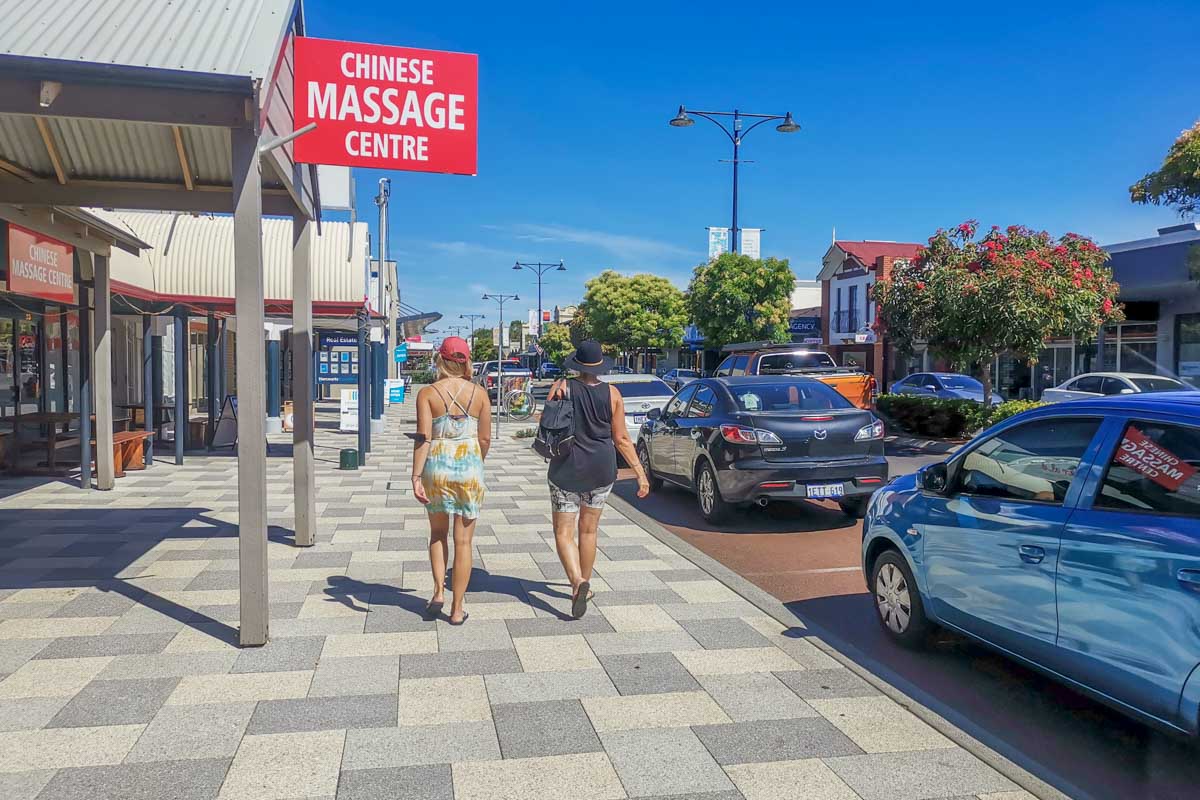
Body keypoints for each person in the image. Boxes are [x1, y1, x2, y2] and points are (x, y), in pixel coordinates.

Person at [547, 340, 650, 619]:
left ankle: (577, 583)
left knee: (563, 531)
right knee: (589, 530)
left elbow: (547, 422)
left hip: (566, 466)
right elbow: (622, 439)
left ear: (576, 364)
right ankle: (586, 583)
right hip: (601, 467)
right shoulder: (613, 393)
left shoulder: (563, 387)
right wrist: (640, 474)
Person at [411, 337, 491, 625]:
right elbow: (484, 438)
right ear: (466, 361)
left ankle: (437, 592)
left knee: (437, 534)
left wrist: (416, 475)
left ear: (440, 360)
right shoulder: (480, 394)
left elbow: (424, 438)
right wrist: (475, 462)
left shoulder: (428, 394)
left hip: (438, 465)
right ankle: (458, 609)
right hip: (469, 464)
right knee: (464, 542)